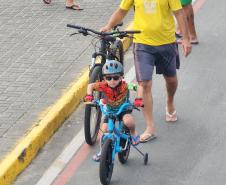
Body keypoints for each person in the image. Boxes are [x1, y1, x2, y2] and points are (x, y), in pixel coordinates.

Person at [100, 0, 192, 143]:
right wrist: (108, 26)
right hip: (142, 44)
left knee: (171, 79)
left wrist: (186, 39)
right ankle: (150, 127)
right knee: (144, 84)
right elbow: (121, 11)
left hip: (166, 42)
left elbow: (179, 13)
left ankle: (170, 102)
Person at [84, 60, 142, 161]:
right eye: (108, 78)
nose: (112, 81)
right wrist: (89, 96)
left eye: (116, 77)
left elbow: (139, 87)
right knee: (105, 129)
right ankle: (102, 151)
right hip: (110, 111)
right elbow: (90, 86)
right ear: (104, 78)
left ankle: (133, 132)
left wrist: (138, 99)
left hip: (123, 109)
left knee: (128, 121)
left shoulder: (125, 86)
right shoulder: (103, 85)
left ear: (121, 77)